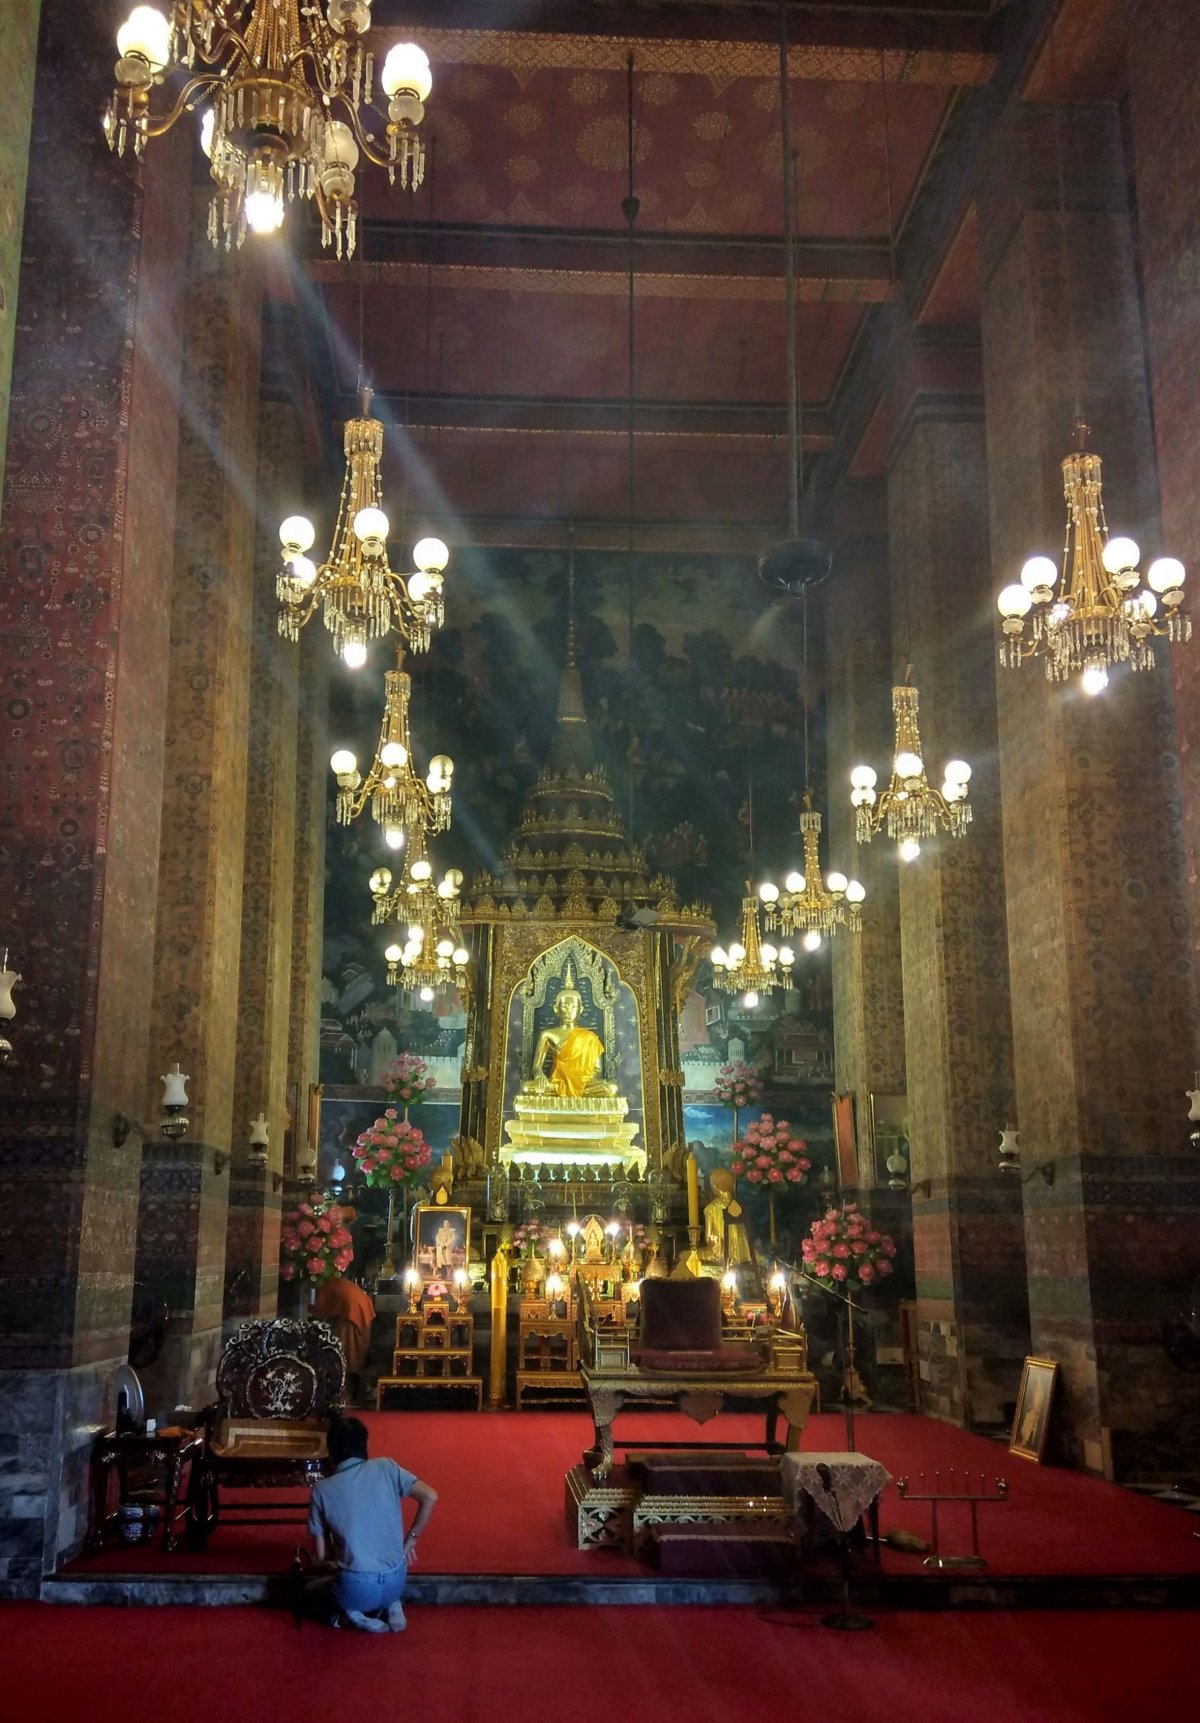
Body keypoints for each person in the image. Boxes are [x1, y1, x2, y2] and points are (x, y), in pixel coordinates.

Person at [305, 1414, 437, 1633]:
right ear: (366, 1444)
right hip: (397, 1580)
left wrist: (333, 1565)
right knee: (378, 1585)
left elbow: (321, 1557)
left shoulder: (322, 1490)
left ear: (330, 1451)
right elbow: (430, 1496)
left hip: (355, 1587)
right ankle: (392, 1604)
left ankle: (347, 1617)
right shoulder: (386, 1467)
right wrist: (410, 1541)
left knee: (308, 1592)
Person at [523, 963, 614, 1098]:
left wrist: (584, 1080)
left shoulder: (590, 1037)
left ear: (580, 1009)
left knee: (611, 1089)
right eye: (565, 1006)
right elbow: (536, 1068)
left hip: (584, 1083)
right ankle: (574, 1095)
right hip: (558, 1084)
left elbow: (597, 1069)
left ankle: (578, 1094)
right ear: (556, 1009)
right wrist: (539, 1076)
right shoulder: (548, 1035)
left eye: (573, 1007)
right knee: (527, 1088)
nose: (568, 1011)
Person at [312, 1275, 376, 1400]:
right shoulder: (335, 1282)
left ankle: (346, 1392)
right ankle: (356, 1390)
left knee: (346, 1353)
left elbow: (319, 1313)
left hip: (351, 1311)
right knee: (358, 1351)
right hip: (361, 1307)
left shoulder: (324, 1287)